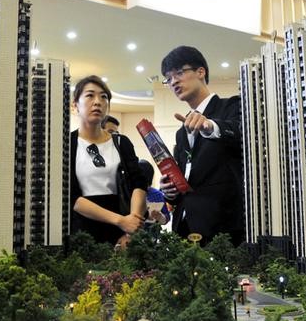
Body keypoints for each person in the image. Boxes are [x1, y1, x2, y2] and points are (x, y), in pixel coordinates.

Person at [159, 45, 244, 245]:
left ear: (201, 72)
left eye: (179, 72)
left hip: (224, 228)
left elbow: (241, 133)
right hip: (185, 228)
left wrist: (209, 126)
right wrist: (169, 189)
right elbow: (188, 177)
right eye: (169, 78)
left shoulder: (231, 106)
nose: (174, 81)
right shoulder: (182, 133)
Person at [70, 75, 148, 245]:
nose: (97, 101)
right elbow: (71, 197)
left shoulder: (121, 142)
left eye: (103, 97)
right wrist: (120, 221)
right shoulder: (67, 144)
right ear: (75, 105)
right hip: (82, 231)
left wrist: (131, 228)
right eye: (90, 95)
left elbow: (138, 184)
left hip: (122, 232)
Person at [137, 159, 170, 225]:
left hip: (152, 233)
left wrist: (160, 217)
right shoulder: (126, 193)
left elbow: (167, 218)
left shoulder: (158, 195)